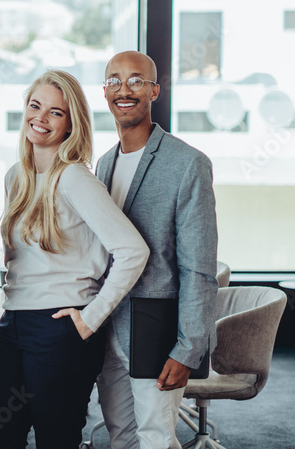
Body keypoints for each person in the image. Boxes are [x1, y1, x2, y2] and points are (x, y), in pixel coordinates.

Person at [0, 70, 149, 448]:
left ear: (71, 124)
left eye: (55, 112)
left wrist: (90, 319)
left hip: (60, 326)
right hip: (15, 323)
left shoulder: (74, 178)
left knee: (57, 439)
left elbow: (133, 251)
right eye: (35, 106)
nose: (40, 118)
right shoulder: (15, 177)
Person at [94, 50, 219, 449]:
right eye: (114, 80)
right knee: (120, 436)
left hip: (157, 330)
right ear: (105, 92)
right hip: (109, 327)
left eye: (135, 80)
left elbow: (199, 267)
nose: (124, 89)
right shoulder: (103, 163)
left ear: (154, 91)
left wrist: (189, 349)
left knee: (156, 439)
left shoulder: (188, 163)